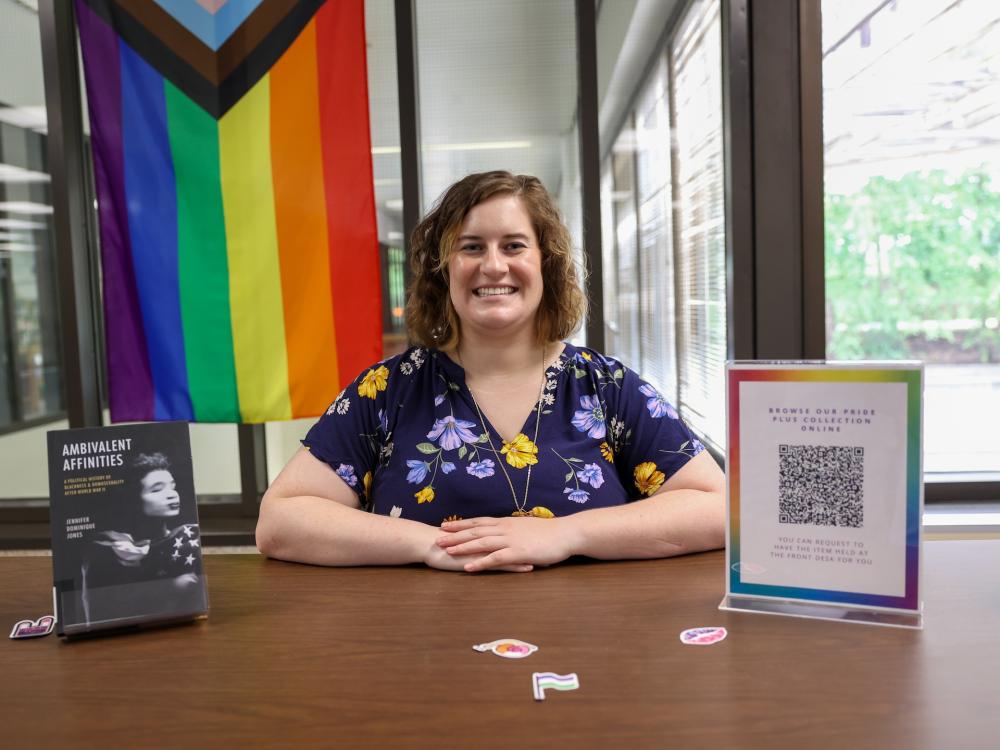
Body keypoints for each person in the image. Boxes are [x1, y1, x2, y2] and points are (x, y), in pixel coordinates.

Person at [256, 170, 725, 573]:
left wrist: (564, 535)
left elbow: (718, 508)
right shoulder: (387, 390)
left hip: (588, 650)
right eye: (472, 247)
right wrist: (430, 546)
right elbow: (281, 522)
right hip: (418, 651)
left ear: (547, 264)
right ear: (444, 271)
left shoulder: (607, 388)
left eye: (514, 245)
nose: (493, 265)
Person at [79, 452, 204, 625]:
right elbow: (103, 611)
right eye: (157, 489)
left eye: (172, 486)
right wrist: (171, 587)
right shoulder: (108, 548)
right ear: (134, 499)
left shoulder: (188, 538)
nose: (172, 494)